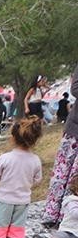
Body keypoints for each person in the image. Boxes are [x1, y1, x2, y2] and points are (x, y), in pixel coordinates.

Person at [0, 117, 44, 238]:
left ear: (13, 137)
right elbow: (38, 180)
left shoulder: (6, 158)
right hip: (23, 199)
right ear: (34, 140)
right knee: (18, 223)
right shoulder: (35, 160)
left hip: (4, 198)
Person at [43, 64, 78, 227]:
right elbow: (75, 88)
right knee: (61, 173)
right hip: (74, 129)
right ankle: (51, 214)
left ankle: (69, 217)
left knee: (76, 177)